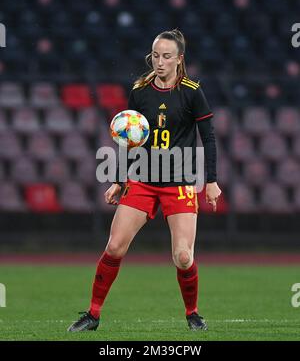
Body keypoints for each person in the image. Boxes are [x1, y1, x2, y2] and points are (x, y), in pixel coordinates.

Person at [68, 29, 221, 332]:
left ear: (179, 59)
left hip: (179, 181)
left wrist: (212, 181)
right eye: (155, 55)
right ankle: (93, 314)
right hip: (143, 179)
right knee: (114, 247)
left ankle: (192, 313)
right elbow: (128, 139)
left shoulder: (192, 91)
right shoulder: (140, 91)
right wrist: (116, 179)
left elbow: (209, 138)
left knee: (182, 256)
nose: (159, 62)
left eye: (166, 56)